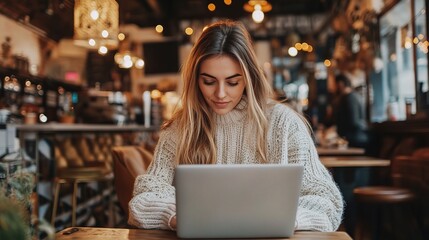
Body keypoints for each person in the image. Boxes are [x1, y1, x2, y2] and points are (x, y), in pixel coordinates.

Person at [128, 20, 343, 232]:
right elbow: (144, 198)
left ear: (249, 78)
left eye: (232, 82)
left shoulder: (284, 124)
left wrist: (287, 219)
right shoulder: (180, 128)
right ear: (195, 80)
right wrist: (176, 217)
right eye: (209, 81)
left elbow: (327, 201)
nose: (220, 93)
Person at [333, 74, 368, 148]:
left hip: (355, 138)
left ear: (340, 84)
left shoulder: (350, 98)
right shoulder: (351, 96)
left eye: (335, 85)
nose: (334, 88)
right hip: (355, 137)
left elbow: (354, 121)